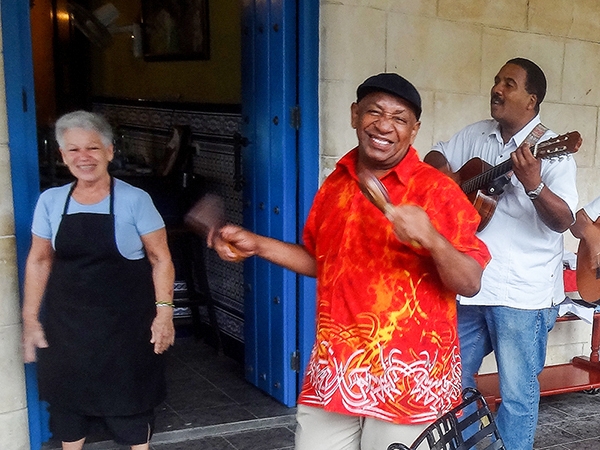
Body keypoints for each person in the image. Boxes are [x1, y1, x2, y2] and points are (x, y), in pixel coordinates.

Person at [208, 73, 491, 450]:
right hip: (337, 370)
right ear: (355, 114)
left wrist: (431, 239)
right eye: (374, 112)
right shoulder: (335, 185)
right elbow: (324, 263)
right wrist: (257, 244)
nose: (384, 125)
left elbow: (470, 281)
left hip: (408, 382)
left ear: (414, 130)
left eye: (399, 118)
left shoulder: (437, 191)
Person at [424, 58, 579, 450]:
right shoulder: (477, 134)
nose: (497, 89)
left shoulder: (554, 149)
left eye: (509, 84)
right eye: (497, 81)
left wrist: (534, 187)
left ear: (531, 100)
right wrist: (451, 181)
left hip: (521, 296)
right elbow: (434, 158)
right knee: (448, 383)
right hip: (470, 286)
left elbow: (563, 220)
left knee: (517, 399)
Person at [21, 110, 176, 450]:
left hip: (126, 326)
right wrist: (30, 318)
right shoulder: (50, 201)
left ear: (109, 151)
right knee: (67, 405)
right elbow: (39, 259)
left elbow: (160, 258)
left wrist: (164, 313)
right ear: (62, 156)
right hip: (68, 325)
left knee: (131, 404)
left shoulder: (136, 200)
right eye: (73, 150)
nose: (83, 157)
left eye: (92, 148)